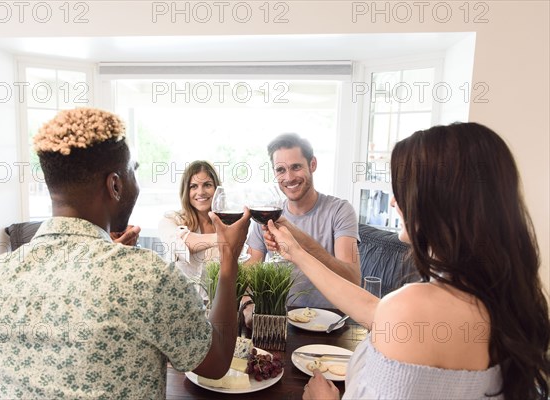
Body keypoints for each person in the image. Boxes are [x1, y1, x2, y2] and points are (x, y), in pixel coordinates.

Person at [0, 108, 251, 399]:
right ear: (115, 185)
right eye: (133, 172)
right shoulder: (146, 277)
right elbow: (215, 363)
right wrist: (229, 257)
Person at [265, 122, 550, 399]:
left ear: (437, 201)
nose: (392, 202)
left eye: (401, 190)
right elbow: (373, 309)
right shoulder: (505, 296)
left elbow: (395, 315)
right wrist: (297, 254)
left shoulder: (412, 306)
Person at [243, 133, 361, 315]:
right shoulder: (267, 215)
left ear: (312, 164)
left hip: (329, 322)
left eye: (296, 167)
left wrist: (297, 238)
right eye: (280, 170)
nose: (289, 177)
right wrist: (247, 307)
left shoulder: (340, 210)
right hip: (278, 320)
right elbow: (247, 277)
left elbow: (352, 279)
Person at [158, 161, 221, 285]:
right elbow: (181, 245)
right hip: (180, 302)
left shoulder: (227, 223)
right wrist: (225, 237)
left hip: (218, 302)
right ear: (186, 191)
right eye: (194, 186)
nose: (201, 192)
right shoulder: (170, 221)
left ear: (217, 189)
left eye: (207, 185)